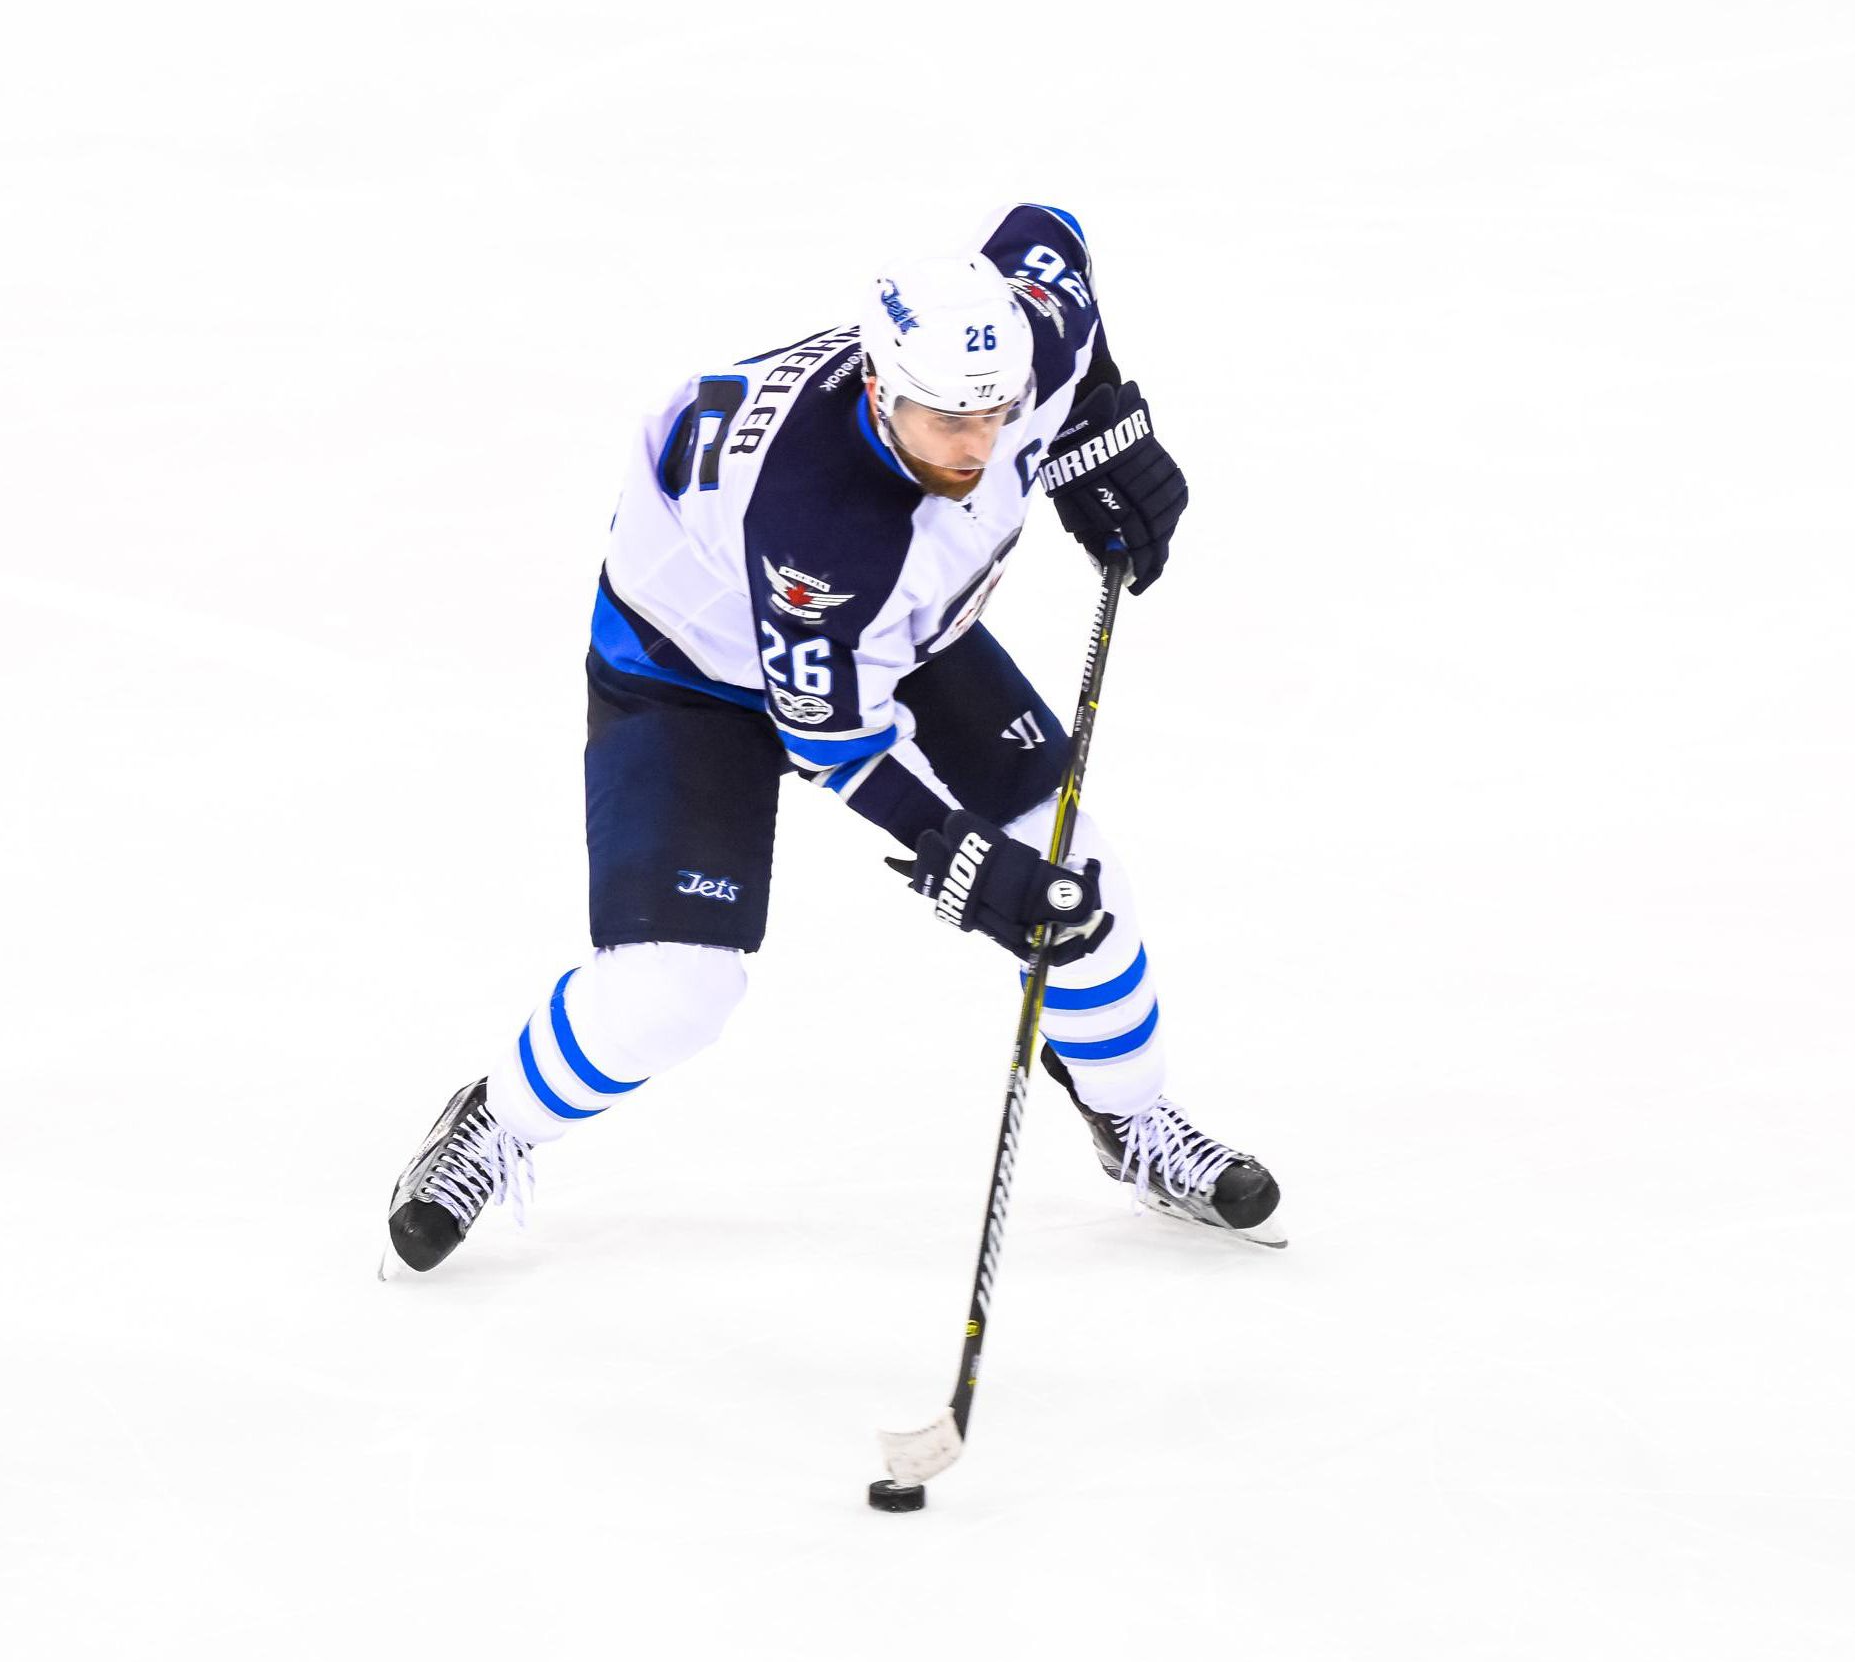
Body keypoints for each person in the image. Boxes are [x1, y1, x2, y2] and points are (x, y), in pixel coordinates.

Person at [383, 202, 1284, 1275]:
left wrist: (1100, 423)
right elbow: (834, 741)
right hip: (687, 670)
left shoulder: (1027, 336)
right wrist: (960, 859)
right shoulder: (820, 529)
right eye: (945, 420)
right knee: (675, 991)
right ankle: (496, 1119)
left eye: (996, 413)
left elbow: (1048, 231)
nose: (977, 446)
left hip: (899, 626)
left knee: (1080, 881)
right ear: (877, 383)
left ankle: (1129, 1118)